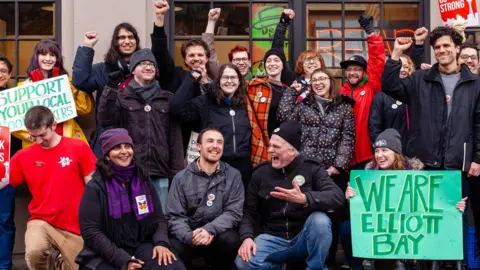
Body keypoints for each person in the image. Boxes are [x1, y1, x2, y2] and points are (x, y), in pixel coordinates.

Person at [382, 26, 480, 269]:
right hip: (424, 164)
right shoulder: (419, 79)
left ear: (457, 48)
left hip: (458, 166)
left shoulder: (475, 83)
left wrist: (476, 158)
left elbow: (478, 124)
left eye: (447, 46)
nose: (442, 50)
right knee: (424, 222)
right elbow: (390, 86)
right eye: (437, 47)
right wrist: (395, 55)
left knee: (456, 222)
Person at [341, 129, 467, 270]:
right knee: (347, 227)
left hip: (409, 224)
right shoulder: (368, 175)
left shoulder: (414, 173)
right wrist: (352, 198)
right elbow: (362, 211)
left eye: (384, 150)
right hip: (382, 224)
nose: (379, 155)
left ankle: (410, 260)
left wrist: (455, 207)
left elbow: (433, 205)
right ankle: (362, 263)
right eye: (376, 151)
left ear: (396, 153)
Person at [235, 120, 344, 270]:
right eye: (270, 145)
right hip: (273, 238)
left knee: (320, 220)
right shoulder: (261, 173)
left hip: (303, 238)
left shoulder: (311, 168)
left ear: (293, 151)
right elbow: (248, 211)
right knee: (244, 262)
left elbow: (337, 196)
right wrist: (247, 237)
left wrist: (305, 198)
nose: (270, 150)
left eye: (276, 147)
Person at [76, 128, 185, 270]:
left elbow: (158, 218)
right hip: (106, 252)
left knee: (172, 266)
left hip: (139, 245)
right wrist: (123, 260)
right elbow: (90, 231)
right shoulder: (95, 187)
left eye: (127, 146)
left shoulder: (142, 180)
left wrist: (161, 243)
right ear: (107, 155)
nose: (124, 151)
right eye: (116, 148)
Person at [277, 68, 355, 266]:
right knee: (308, 213)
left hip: (333, 171)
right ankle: (307, 259)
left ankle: (328, 260)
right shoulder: (304, 105)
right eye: (314, 80)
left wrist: (338, 166)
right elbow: (283, 117)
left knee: (334, 215)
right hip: (309, 170)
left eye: (322, 79)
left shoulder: (344, 106)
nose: (318, 83)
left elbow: (348, 137)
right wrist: (291, 92)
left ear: (330, 81)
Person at [4, 106, 96, 270]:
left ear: (54, 125)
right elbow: (4, 180)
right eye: (33, 137)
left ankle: (60, 262)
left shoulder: (78, 147)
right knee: (34, 251)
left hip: (76, 224)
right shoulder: (23, 156)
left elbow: (93, 186)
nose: (38, 141)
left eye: (42, 135)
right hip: (42, 221)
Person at [97, 48, 184, 212]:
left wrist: (177, 173)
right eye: (142, 64)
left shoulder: (167, 98)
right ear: (133, 69)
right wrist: (110, 89)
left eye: (152, 64)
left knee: (161, 218)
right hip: (130, 171)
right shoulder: (121, 96)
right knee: (133, 218)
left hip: (160, 173)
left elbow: (175, 139)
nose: (148, 67)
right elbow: (104, 119)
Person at [166, 128, 244, 270]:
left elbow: (234, 212)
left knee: (231, 239)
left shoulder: (233, 175)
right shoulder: (181, 178)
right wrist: (190, 236)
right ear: (199, 147)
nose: (215, 146)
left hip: (217, 234)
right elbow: (174, 216)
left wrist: (209, 230)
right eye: (210, 141)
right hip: (189, 237)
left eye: (219, 142)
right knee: (173, 245)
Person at [171, 64, 252, 187]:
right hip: (214, 166)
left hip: (243, 168)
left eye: (233, 77)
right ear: (218, 81)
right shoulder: (206, 102)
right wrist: (191, 79)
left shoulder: (246, 103)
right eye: (225, 77)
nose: (229, 81)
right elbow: (177, 109)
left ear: (239, 81)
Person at [72, 22, 141, 157]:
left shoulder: (145, 69)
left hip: (137, 139)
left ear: (136, 41)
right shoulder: (103, 70)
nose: (127, 41)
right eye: (121, 38)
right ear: (115, 42)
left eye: (130, 37)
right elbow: (79, 81)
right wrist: (87, 46)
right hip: (108, 140)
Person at [12, 39, 94, 149]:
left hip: (66, 140)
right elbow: (14, 123)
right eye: (43, 54)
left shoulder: (67, 83)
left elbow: (85, 109)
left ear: (57, 59)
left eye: (52, 55)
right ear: (36, 57)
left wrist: (80, 86)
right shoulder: (24, 88)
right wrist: (36, 135)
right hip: (37, 145)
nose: (48, 59)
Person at [339, 14, 385, 170]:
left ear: (364, 72)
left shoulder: (371, 87)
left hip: (366, 155)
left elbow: (377, 61)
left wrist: (371, 34)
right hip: (342, 157)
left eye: (357, 69)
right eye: (349, 70)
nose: (352, 73)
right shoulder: (340, 92)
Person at [247, 48, 289, 167]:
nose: (272, 64)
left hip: (282, 145)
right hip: (260, 142)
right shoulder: (254, 86)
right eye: (268, 61)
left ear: (283, 65)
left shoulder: (289, 91)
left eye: (276, 60)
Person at [0, 55, 18, 270]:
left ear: (10, 75)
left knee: (4, 221)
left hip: (6, 171)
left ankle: (4, 265)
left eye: (4, 70)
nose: (0, 74)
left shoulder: (16, 101)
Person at [202, 8, 253, 81]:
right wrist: (211, 21)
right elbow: (208, 50)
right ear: (230, 63)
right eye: (237, 60)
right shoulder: (222, 77)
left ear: (249, 63)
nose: (241, 63)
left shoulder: (257, 85)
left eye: (244, 59)